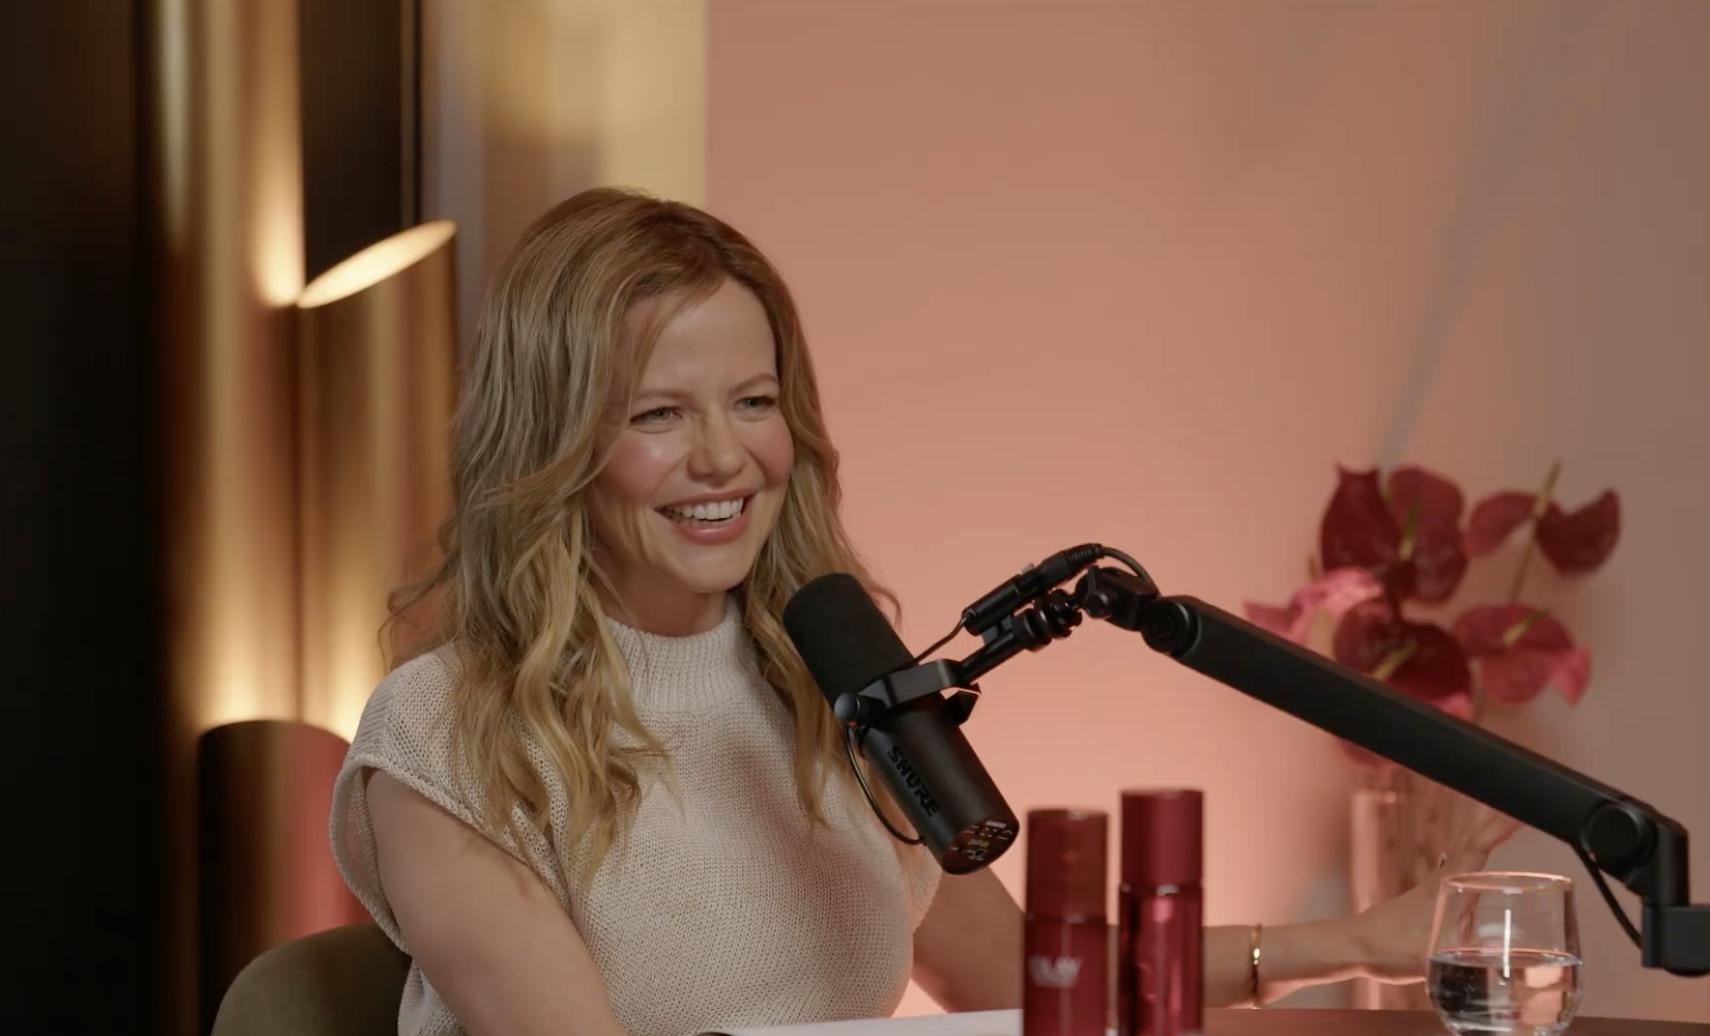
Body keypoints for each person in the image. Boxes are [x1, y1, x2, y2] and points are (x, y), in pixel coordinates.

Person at [330, 187, 1517, 1036]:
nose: (723, 459)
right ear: (553, 447)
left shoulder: (831, 682)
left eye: (751, 401)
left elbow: (1019, 974)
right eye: (655, 416)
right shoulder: (447, 735)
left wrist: (1354, 943)